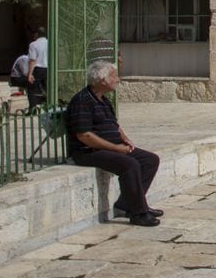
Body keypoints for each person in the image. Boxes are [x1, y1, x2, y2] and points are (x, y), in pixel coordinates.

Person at [67, 61, 163, 226]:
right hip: (88, 151)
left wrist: (124, 138)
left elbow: (114, 124)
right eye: (114, 76)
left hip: (112, 146)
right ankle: (138, 213)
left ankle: (127, 204)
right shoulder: (82, 101)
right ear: (102, 80)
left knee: (150, 160)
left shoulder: (103, 100)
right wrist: (116, 148)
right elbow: (85, 136)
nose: (117, 79)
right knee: (129, 164)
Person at [26, 26, 48, 109]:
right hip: (48, 68)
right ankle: (48, 107)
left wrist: (30, 74)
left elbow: (32, 60)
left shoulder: (33, 44)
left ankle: (33, 108)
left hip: (38, 68)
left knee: (31, 88)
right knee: (46, 88)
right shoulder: (49, 43)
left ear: (37, 34)